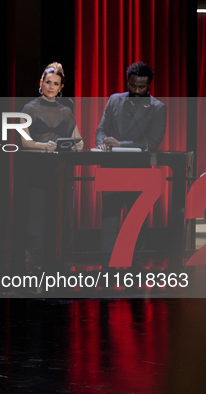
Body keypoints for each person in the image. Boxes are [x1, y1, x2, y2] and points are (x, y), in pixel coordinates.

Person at [94, 61, 167, 260]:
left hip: (139, 171)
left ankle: (135, 266)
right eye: (132, 85)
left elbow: (151, 143)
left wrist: (120, 144)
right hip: (111, 169)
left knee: (136, 221)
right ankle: (107, 266)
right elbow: (101, 130)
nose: (136, 90)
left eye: (141, 87)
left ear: (149, 85)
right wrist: (102, 144)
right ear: (128, 81)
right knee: (109, 219)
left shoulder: (158, 108)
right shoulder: (114, 100)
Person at [19, 62, 84, 271]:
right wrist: (43, 146)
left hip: (59, 171)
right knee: (36, 214)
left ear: (61, 87)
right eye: (47, 82)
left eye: (55, 83)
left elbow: (79, 141)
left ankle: (54, 260)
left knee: (57, 215)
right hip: (36, 169)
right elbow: (24, 141)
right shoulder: (29, 108)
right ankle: (35, 259)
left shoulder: (66, 111)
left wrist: (76, 146)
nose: (50, 86)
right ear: (41, 83)